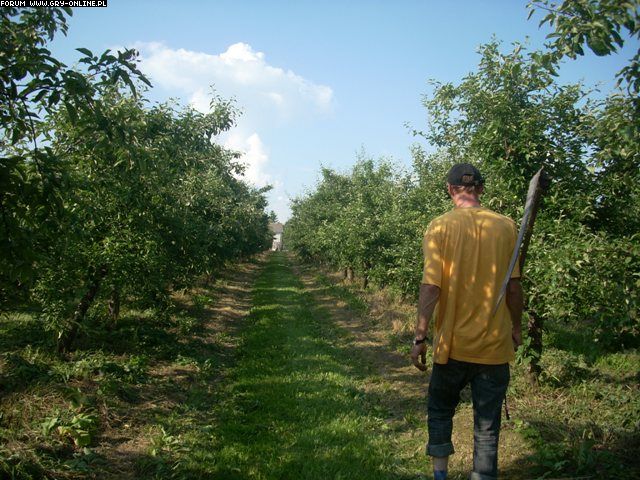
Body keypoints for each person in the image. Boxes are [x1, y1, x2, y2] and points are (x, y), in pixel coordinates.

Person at [410, 163, 524, 480]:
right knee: (487, 425)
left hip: (452, 346)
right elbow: (514, 287)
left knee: (440, 410)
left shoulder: (439, 227)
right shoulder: (506, 226)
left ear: (450, 190)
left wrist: (420, 338)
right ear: (481, 190)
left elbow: (431, 287)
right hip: (494, 346)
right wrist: (516, 327)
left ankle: (440, 475)